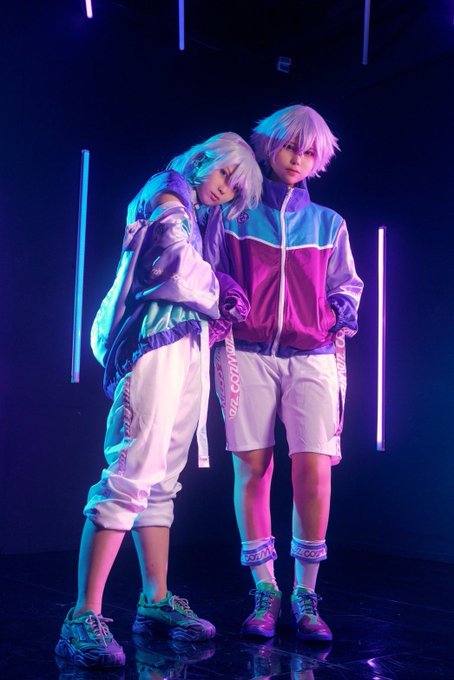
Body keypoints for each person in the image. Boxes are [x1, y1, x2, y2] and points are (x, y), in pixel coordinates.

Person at [55, 132, 262, 669]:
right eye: (225, 175)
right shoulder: (167, 193)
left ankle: (155, 600)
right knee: (131, 471)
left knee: (163, 478)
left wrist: (216, 298)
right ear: (203, 160)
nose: (225, 190)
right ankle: (82, 616)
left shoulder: (195, 212)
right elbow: (170, 262)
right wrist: (221, 290)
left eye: (235, 187)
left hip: (185, 342)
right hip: (153, 341)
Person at [204, 105, 364, 641]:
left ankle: (306, 594)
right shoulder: (234, 215)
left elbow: (347, 285)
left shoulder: (329, 224)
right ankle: (266, 591)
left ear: (320, 160)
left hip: (312, 355)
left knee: (314, 470)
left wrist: (335, 313)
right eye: (291, 146)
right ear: (269, 146)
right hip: (246, 352)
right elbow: (211, 271)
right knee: (252, 470)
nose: (298, 158)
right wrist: (228, 297)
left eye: (309, 152)